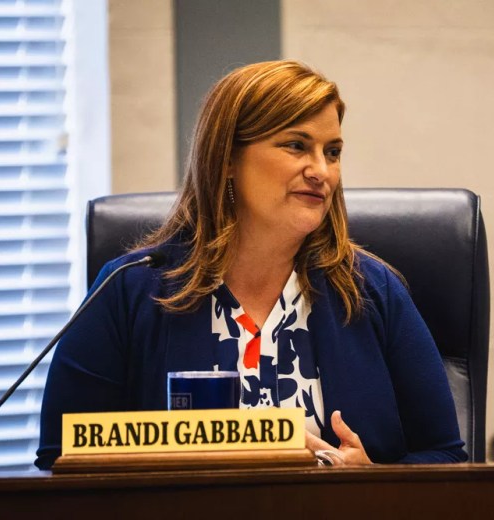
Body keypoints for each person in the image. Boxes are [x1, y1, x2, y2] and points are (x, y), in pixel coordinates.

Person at [35, 60, 467, 469]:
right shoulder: (127, 291)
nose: (322, 171)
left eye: (332, 152)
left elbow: (445, 455)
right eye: (297, 146)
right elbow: (62, 459)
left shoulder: (372, 291)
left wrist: (366, 479)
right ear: (225, 160)